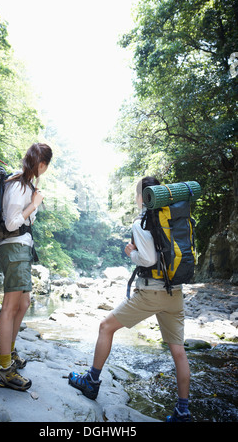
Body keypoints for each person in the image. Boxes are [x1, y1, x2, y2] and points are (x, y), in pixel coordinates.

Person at [68, 176, 191, 422]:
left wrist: (132, 253)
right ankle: (183, 411)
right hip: (174, 293)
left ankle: (91, 382)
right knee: (178, 352)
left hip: (150, 294)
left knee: (105, 327)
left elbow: (148, 260)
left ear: (141, 196)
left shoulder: (142, 221)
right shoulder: (174, 218)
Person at [0, 142, 52, 391]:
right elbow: (12, 221)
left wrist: (33, 200)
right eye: (46, 165)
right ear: (41, 164)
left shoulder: (25, 184)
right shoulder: (18, 185)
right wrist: (34, 203)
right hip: (14, 248)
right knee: (10, 307)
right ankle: (4, 370)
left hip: (21, 249)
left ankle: (10, 351)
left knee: (24, 303)